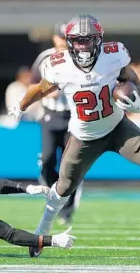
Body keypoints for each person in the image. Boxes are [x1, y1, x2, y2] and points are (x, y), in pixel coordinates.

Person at [8, 14, 140, 258]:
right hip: (84, 137)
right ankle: (42, 232)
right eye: (78, 41)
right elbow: (41, 88)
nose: (83, 47)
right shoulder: (58, 65)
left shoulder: (114, 55)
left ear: (98, 40)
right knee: (63, 187)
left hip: (119, 128)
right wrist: (21, 105)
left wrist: (139, 101)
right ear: (69, 42)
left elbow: (131, 79)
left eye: (88, 41)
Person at [30, 21, 83, 225]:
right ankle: (54, 197)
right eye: (61, 38)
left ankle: (67, 209)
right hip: (50, 115)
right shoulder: (45, 57)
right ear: (54, 38)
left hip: (74, 117)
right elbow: (33, 83)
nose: (63, 42)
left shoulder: (81, 57)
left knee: (70, 165)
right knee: (47, 162)